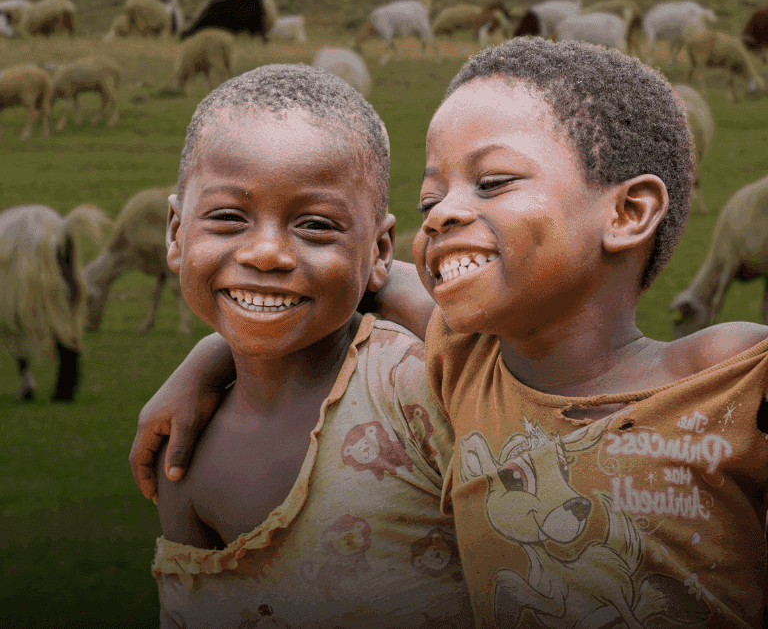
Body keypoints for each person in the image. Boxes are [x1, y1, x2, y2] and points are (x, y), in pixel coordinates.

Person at [132, 40, 768, 629]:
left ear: (627, 213)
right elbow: (339, 278)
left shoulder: (728, 372)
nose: (443, 214)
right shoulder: (468, 371)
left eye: (492, 183)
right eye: (429, 199)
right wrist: (217, 350)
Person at [147, 64, 473, 629]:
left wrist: (387, 280)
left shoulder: (416, 389)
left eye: (316, 225)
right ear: (176, 233)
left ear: (380, 249)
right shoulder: (181, 447)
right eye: (228, 217)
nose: (267, 253)